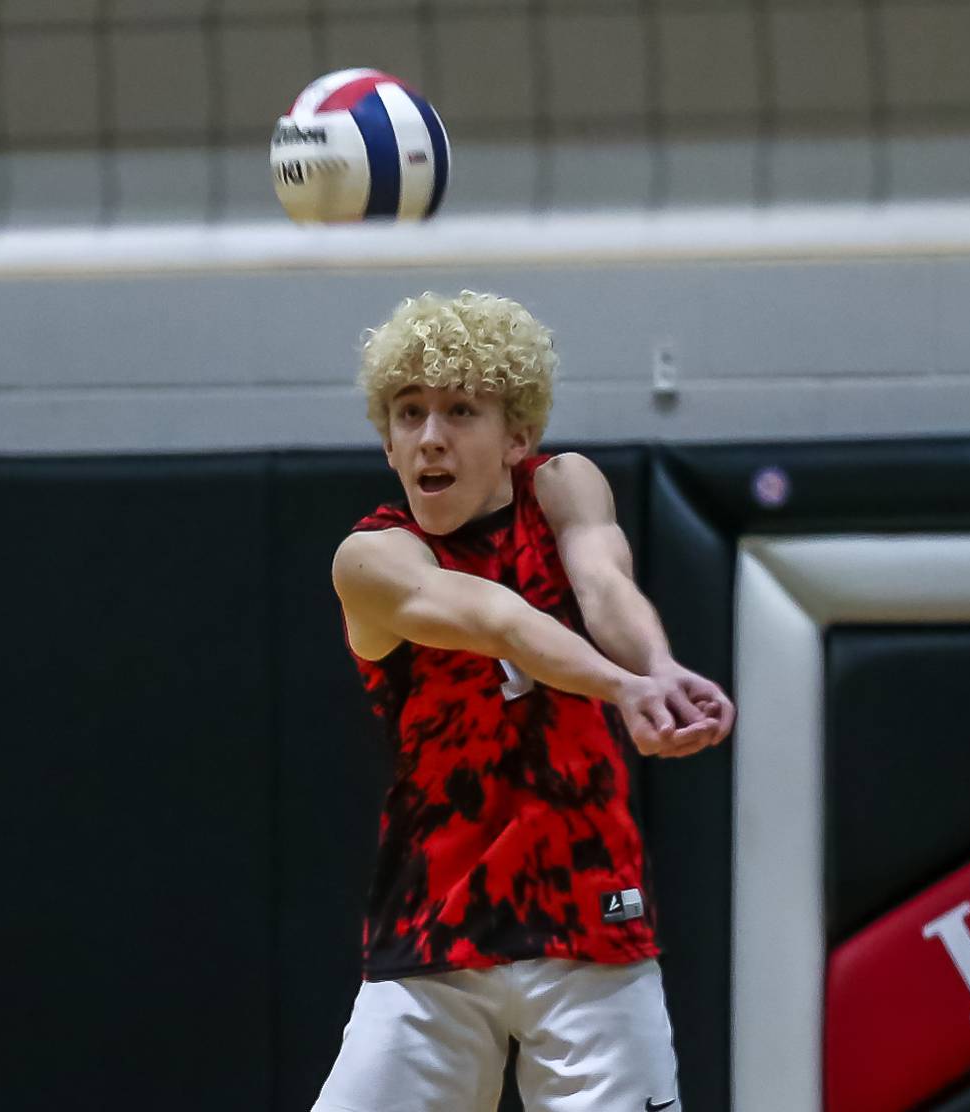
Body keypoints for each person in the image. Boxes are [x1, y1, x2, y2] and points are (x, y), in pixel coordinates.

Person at [314, 291, 734, 1112]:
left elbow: (603, 583)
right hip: (434, 936)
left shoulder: (565, 486)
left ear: (518, 436)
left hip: (587, 918)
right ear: (389, 440)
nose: (430, 436)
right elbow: (499, 619)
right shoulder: (370, 559)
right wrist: (624, 688)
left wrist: (659, 664)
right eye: (409, 413)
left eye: (460, 410)